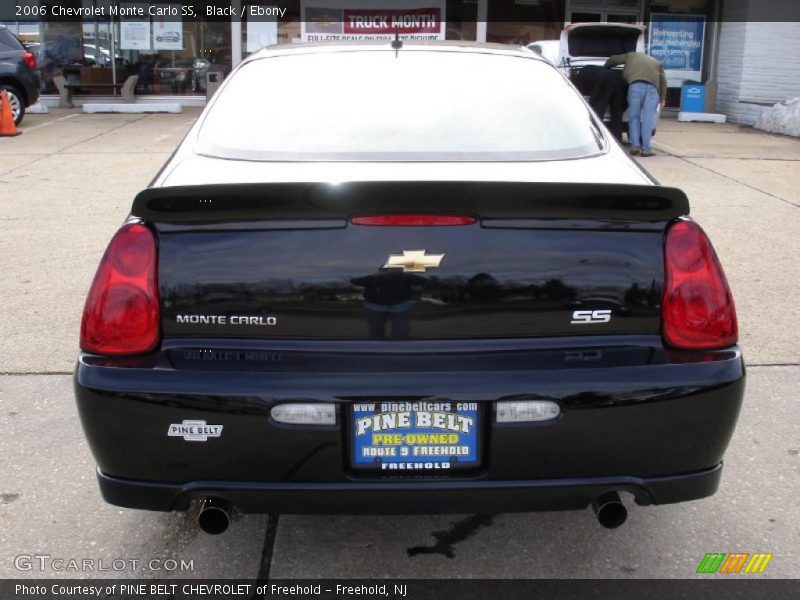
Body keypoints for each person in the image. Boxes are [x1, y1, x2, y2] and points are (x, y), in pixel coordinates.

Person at [604, 51, 667, 157]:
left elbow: (613, 59)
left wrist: (605, 68)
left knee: (634, 118)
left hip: (636, 86)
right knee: (648, 119)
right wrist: (662, 99)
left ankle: (635, 147)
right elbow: (663, 81)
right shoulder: (657, 62)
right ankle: (646, 149)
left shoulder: (631, 55)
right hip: (653, 89)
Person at [588, 67, 628, 143]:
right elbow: (625, 97)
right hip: (619, 85)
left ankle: (596, 137)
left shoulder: (594, 75)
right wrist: (622, 108)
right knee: (617, 115)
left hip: (605, 82)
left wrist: (590, 106)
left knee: (598, 113)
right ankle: (617, 140)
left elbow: (596, 94)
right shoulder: (618, 76)